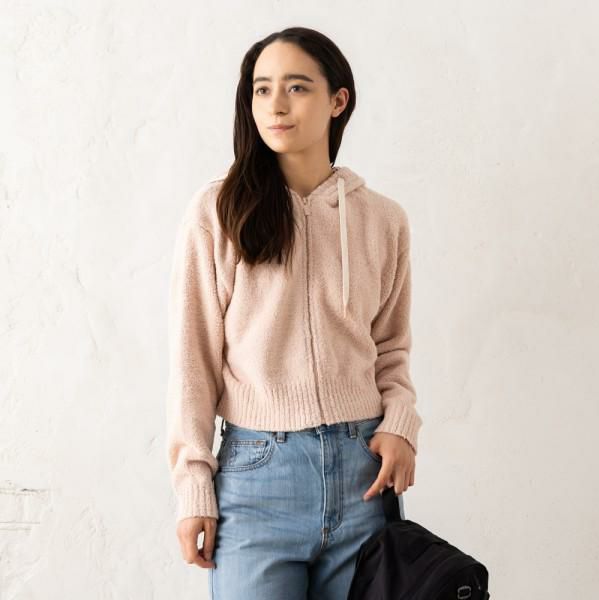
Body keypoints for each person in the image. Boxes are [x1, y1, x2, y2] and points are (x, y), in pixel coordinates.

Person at [165, 26, 423, 600]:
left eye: (297, 87)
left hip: (364, 477)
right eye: (262, 89)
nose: (275, 105)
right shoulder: (219, 212)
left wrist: (400, 425)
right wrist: (193, 486)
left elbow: (391, 348)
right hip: (257, 478)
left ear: (338, 101)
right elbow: (192, 361)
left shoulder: (384, 220)